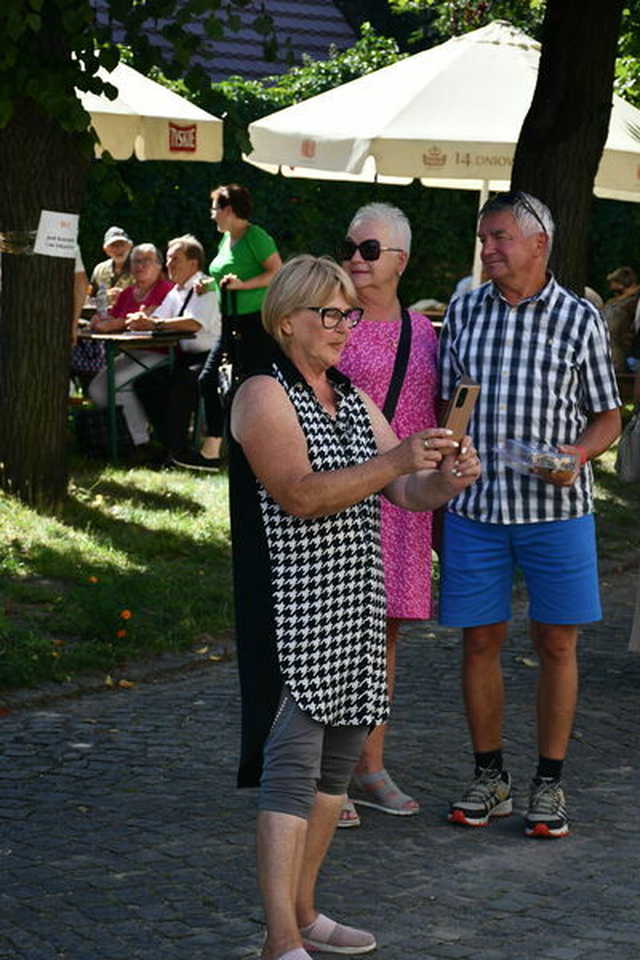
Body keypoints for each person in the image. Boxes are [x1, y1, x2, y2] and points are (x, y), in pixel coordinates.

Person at [229, 254, 480, 960]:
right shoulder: (263, 392)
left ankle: (306, 914)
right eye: (329, 314)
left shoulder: (347, 393)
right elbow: (302, 494)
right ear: (287, 320)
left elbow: (404, 495)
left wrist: (445, 480)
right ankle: (280, 939)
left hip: (354, 605)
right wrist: (398, 462)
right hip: (293, 609)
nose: (344, 326)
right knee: (291, 771)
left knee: (336, 773)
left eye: (348, 313)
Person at [438, 190, 621, 839]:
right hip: (476, 509)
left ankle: (550, 782)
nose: (487, 249)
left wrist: (577, 452)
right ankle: (490, 775)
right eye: (484, 238)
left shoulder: (579, 318)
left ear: (538, 243)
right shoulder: (464, 310)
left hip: (557, 510)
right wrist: (448, 449)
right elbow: (447, 404)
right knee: (479, 640)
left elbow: (608, 415)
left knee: (557, 642)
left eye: (499, 238)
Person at [336, 203, 438, 827]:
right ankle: (326, 774)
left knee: (386, 635)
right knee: (335, 633)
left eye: (369, 250)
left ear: (399, 260)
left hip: (404, 504)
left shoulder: (424, 332)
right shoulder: (331, 321)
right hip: (342, 494)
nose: (355, 258)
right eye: (350, 246)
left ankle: (369, 764)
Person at [173, 184, 282, 472]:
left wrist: (243, 286)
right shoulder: (226, 239)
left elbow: (277, 272)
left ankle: (253, 451)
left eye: (214, 209)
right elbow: (223, 273)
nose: (212, 216)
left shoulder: (255, 237)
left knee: (253, 388)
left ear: (229, 210)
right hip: (230, 322)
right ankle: (214, 452)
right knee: (210, 380)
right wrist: (206, 283)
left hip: (254, 324)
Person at [131, 234, 220, 462]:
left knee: (181, 384)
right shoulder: (176, 290)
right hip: (184, 358)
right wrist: (142, 318)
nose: (169, 264)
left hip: (210, 358)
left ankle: (178, 452)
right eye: (169, 259)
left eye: (175, 259)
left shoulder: (206, 286)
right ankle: (170, 444)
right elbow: (159, 317)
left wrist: (155, 323)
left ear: (194, 263)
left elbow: (194, 323)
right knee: (145, 383)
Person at [88, 244, 174, 461]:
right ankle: (124, 436)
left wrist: (114, 324)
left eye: (147, 260)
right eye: (136, 261)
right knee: (97, 389)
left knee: (117, 384)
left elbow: (144, 320)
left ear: (159, 265)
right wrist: (100, 319)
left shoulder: (167, 290)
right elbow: (112, 318)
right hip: (131, 353)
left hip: (160, 353)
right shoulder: (128, 293)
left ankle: (140, 442)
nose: (141, 265)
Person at [602, 266, 640, 373]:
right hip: (608, 350)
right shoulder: (614, 302)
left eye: (614, 282)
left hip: (620, 354)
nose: (611, 286)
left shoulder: (633, 301)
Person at [90, 226, 135, 305]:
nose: (118, 249)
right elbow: (89, 299)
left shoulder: (140, 269)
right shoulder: (99, 270)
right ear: (106, 250)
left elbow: (151, 297)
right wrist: (105, 296)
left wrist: (126, 296)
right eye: (113, 245)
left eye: (122, 244)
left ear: (130, 246)